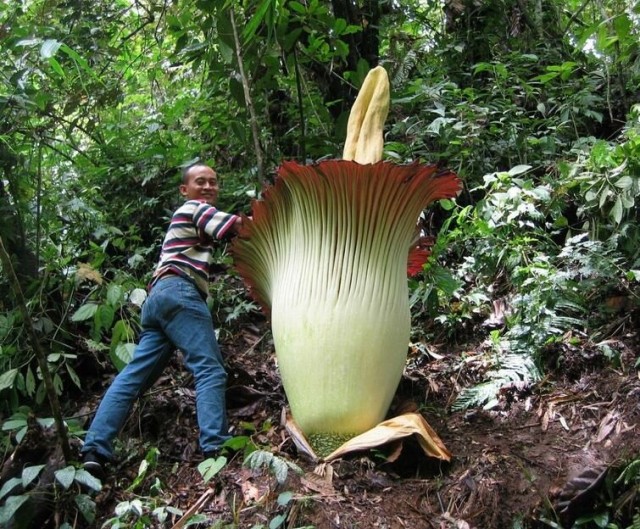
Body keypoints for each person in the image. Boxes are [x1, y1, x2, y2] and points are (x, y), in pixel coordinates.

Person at [81, 163, 244, 478]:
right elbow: (237, 226)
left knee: (134, 377)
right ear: (185, 190)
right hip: (180, 293)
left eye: (214, 182)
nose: (209, 187)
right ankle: (216, 446)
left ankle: (94, 449)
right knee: (209, 369)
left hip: (157, 300)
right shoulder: (195, 208)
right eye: (201, 182)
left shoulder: (190, 216)